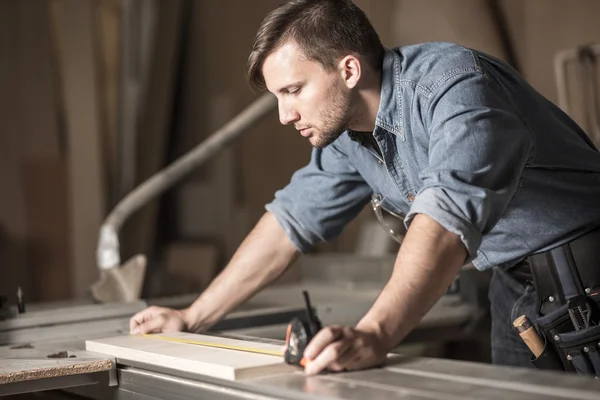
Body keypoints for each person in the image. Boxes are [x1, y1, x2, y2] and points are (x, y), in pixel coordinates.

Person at [130, 0, 600, 375]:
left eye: (293, 90)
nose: (283, 114)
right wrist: (192, 317)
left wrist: (373, 335)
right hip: (513, 285)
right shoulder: (350, 136)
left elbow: (446, 219)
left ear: (349, 70)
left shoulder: (452, 85)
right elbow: (289, 221)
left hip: (586, 272)